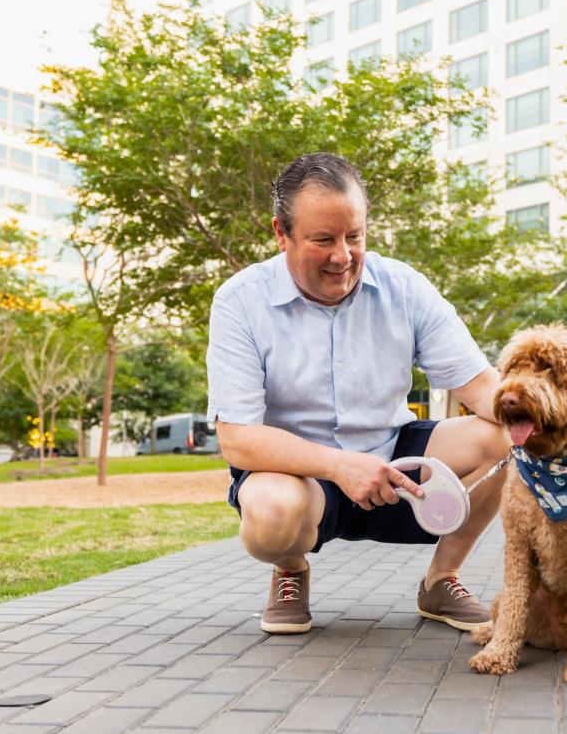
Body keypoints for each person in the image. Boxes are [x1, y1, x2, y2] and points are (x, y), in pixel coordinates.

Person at [208, 152, 511, 635]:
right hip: (300, 477)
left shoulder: (404, 287)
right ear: (281, 233)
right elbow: (239, 440)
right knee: (269, 514)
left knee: (503, 440)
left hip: (396, 462)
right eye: (323, 240)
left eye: (355, 236)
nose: (343, 255)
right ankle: (291, 568)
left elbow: (480, 386)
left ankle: (442, 579)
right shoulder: (239, 301)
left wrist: (566, 422)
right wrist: (339, 466)